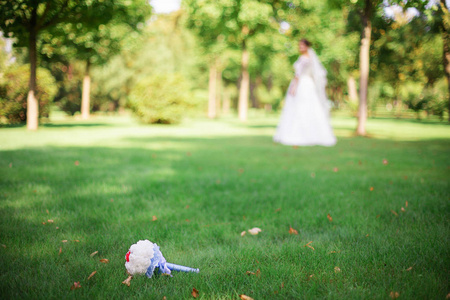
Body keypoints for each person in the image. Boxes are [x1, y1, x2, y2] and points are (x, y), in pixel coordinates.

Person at [273, 39, 336, 146]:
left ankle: (299, 134)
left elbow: (298, 75)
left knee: (299, 107)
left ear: (307, 47)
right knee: (309, 107)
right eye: (299, 46)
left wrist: (293, 87)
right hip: (309, 84)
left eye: (302, 46)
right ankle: (315, 134)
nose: (300, 48)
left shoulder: (303, 59)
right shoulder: (311, 58)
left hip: (302, 84)